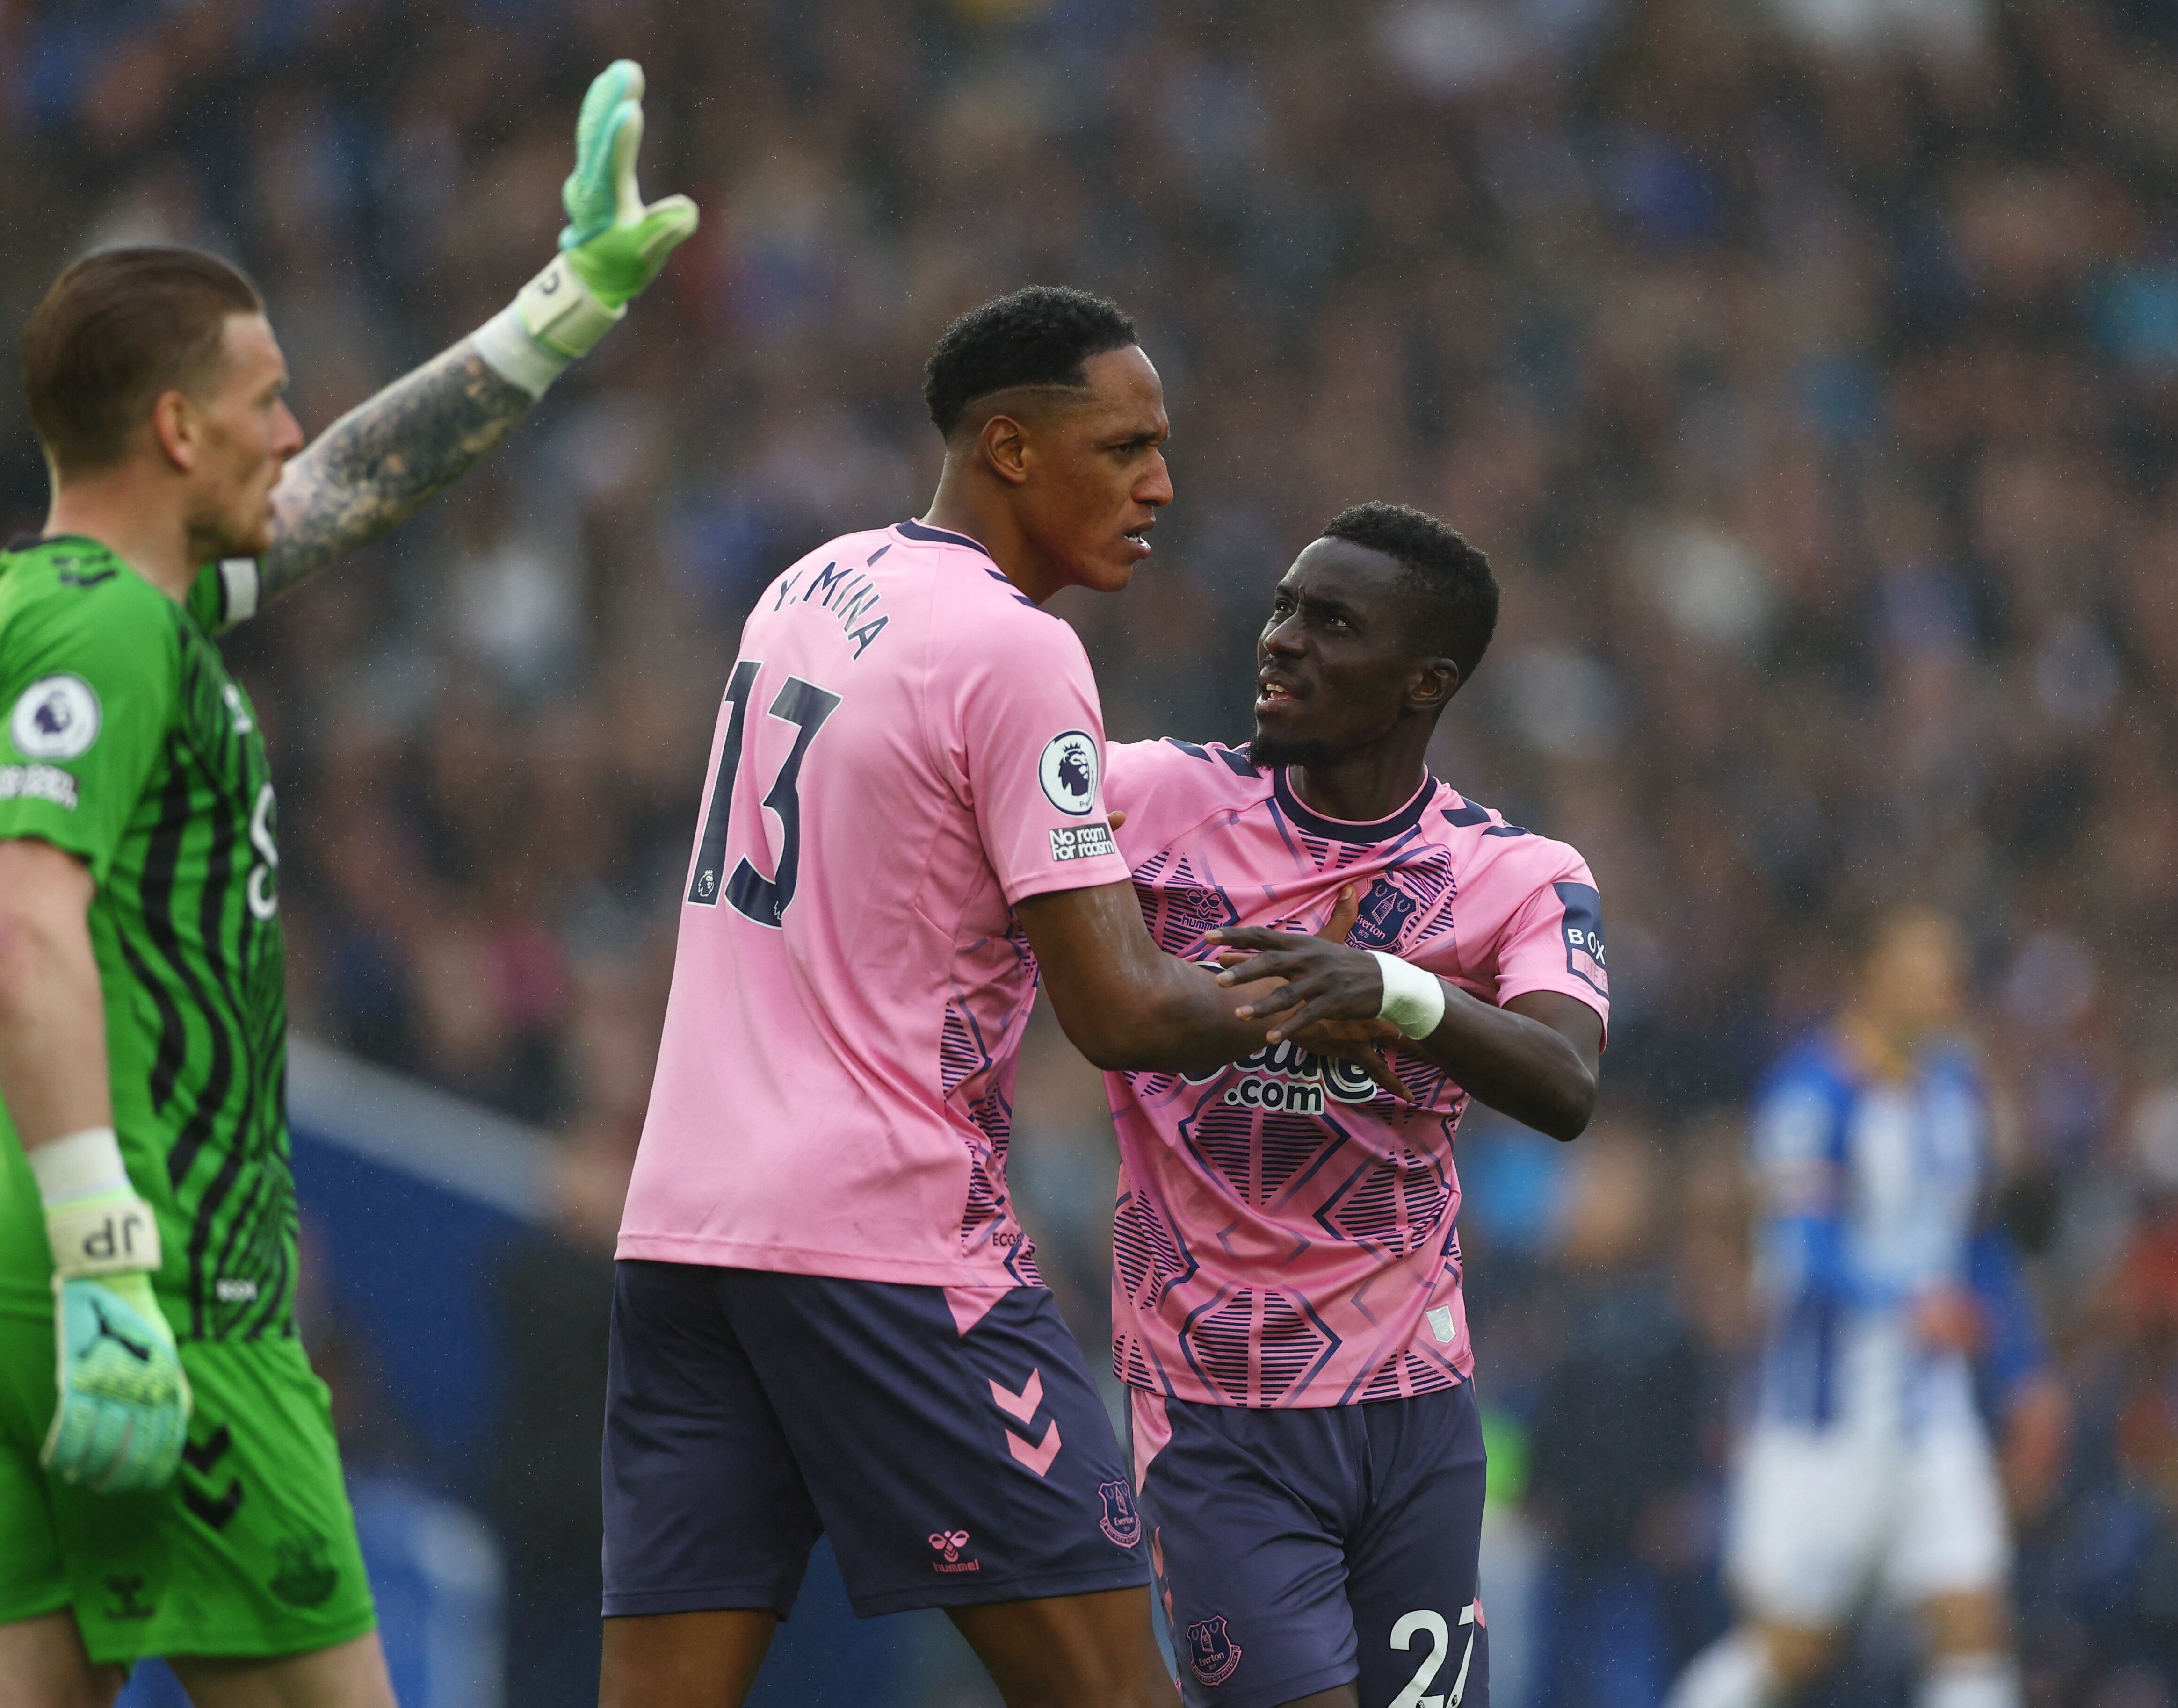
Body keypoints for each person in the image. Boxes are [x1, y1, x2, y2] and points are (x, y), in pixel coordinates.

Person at [0, 61, 697, 1708]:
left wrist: (559, 304)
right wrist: (111, 1251)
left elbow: (340, 490)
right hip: (163, 1282)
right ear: (174, 425)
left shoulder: (78, 601)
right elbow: (14, 936)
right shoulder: (112, 634)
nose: (289, 424)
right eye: (263, 396)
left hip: (6, 1277)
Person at [602, 287, 1399, 1708]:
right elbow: (1121, 1011)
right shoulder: (1023, 650)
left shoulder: (809, 583)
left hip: (685, 1228)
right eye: (1128, 446)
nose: (1162, 483)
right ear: (1013, 448)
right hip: (888, 1238)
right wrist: (1318, 988)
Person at [1093, 501, 1609, 1708]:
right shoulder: (1152, 803)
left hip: (1415, 1420)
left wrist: (1393, 988)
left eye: (1331, 624)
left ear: (1425, 681)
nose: (1280, 640)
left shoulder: (1514, 876)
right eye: (1283, 609)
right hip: (1218, 1414)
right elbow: (968, 782)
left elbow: (1568, 1080)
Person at [1665, 909, 2027, 1708]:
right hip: (1823, 1417)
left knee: (1973, 1619)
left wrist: (2024, 1367)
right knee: (1790, 1646)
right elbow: (1801, 1248)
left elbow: (1975, 1240)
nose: (1939, 988)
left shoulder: (1956, 1089)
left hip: (1932, 1414)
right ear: (1870, 976)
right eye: (1918, 969)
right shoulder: (1812, 1090)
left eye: (1946, 970)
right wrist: (1906, 1302)